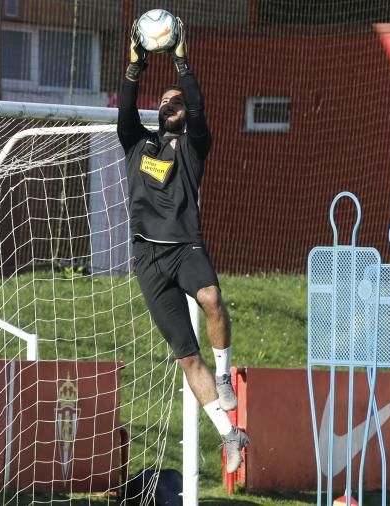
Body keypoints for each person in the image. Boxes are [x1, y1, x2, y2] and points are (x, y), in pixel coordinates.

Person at [117, 19, 250, 473]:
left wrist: (180, 61)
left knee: (212, 298)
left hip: (185, 247)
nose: (172, 102)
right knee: (185, 357)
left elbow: (196, 106)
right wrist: (136, 64)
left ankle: (225, 374)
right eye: (166, 100)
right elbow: (127, 107)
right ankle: (230, 436)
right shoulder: (136, 144)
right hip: (147, 259)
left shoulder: (194, 147)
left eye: (178, 100)